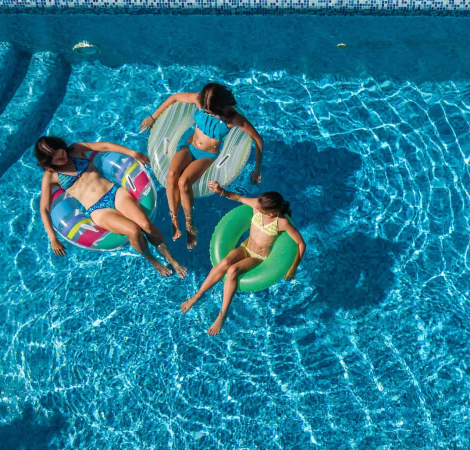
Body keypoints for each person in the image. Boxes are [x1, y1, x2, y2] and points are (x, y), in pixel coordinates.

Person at [36, 136, 187, 278]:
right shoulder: (51, 176)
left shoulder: (76, 149)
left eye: (61, 152)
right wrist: (53, 238)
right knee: (133, 231)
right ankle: (152, 260)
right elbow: (44, 208)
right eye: (57, 159)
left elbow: (106, 146)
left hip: (115, 193)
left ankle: (170, 258)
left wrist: (133, 153)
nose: (62, 157)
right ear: (49, 162)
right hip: (98, 209)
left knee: (145, 224)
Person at [139, 83, 264, 249]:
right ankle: (174, 220)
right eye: (205, 109)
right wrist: (153, 117)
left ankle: (190, 224)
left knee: (184, 182)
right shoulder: (200, 101)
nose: (207, 112)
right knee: (172, 174)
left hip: (206, 156)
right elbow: (174, 97)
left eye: (210, 110)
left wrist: (257, 169)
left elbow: (258, 139)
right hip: (188, 147)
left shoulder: (232, 118)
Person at [181, 181, 305, 335]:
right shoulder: (257, 205)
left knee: (233, 270)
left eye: (260, 208)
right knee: (225, 262)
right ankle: (197, 295)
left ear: (271, 213)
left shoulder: (282, 222)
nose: (256, 207)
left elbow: (301, 244)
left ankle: (222, 314)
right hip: (245, 248)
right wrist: (221, 190)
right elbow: (239, 198)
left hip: (259, 257)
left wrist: (293, 268)